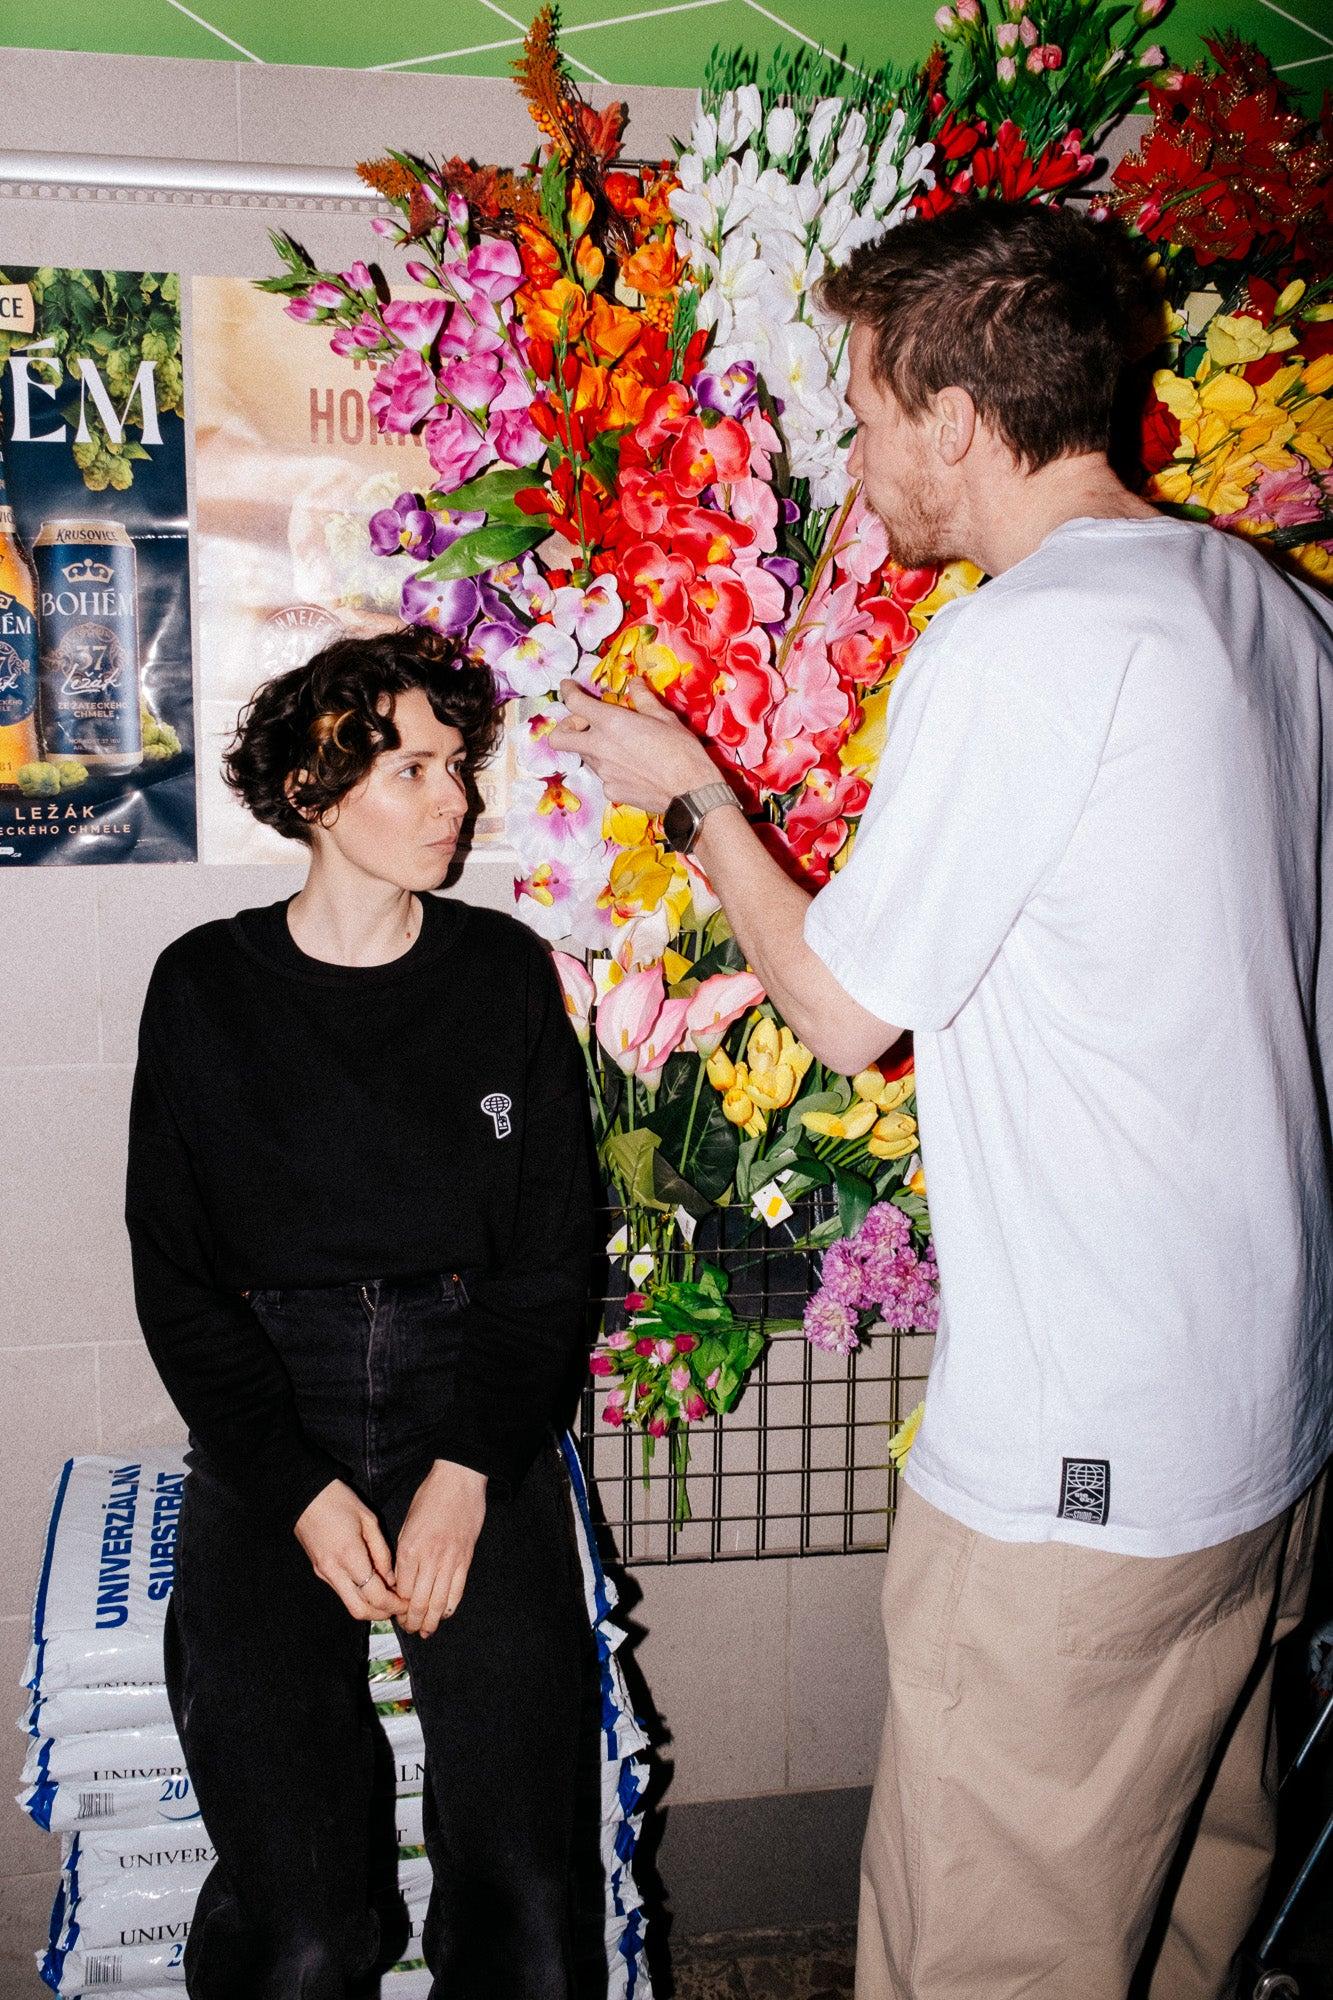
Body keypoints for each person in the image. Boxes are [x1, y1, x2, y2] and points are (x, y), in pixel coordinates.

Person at [551, 201, 1333, 2000]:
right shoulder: (1271, 610)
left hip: (1088, 1467)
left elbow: (835, 1010)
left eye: (863, 408)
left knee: (992, 1947)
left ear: (957, 419)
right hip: (1264, 1428)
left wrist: (700, 797)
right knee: (1185, 1914)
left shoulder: (1022, 644)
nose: (857, 450)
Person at [125, 626, 598, 1999]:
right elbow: (176, 1276)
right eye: (411, 770)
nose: (454, 800)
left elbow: (546, 1262)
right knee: (306, 1923)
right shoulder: (205, 988)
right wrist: (296, 1489)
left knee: (528, 1902)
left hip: (474, 1408)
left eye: (456, 767)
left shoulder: (501, 973)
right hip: (278, 1412)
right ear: (314, 794)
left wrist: (465, 1474)